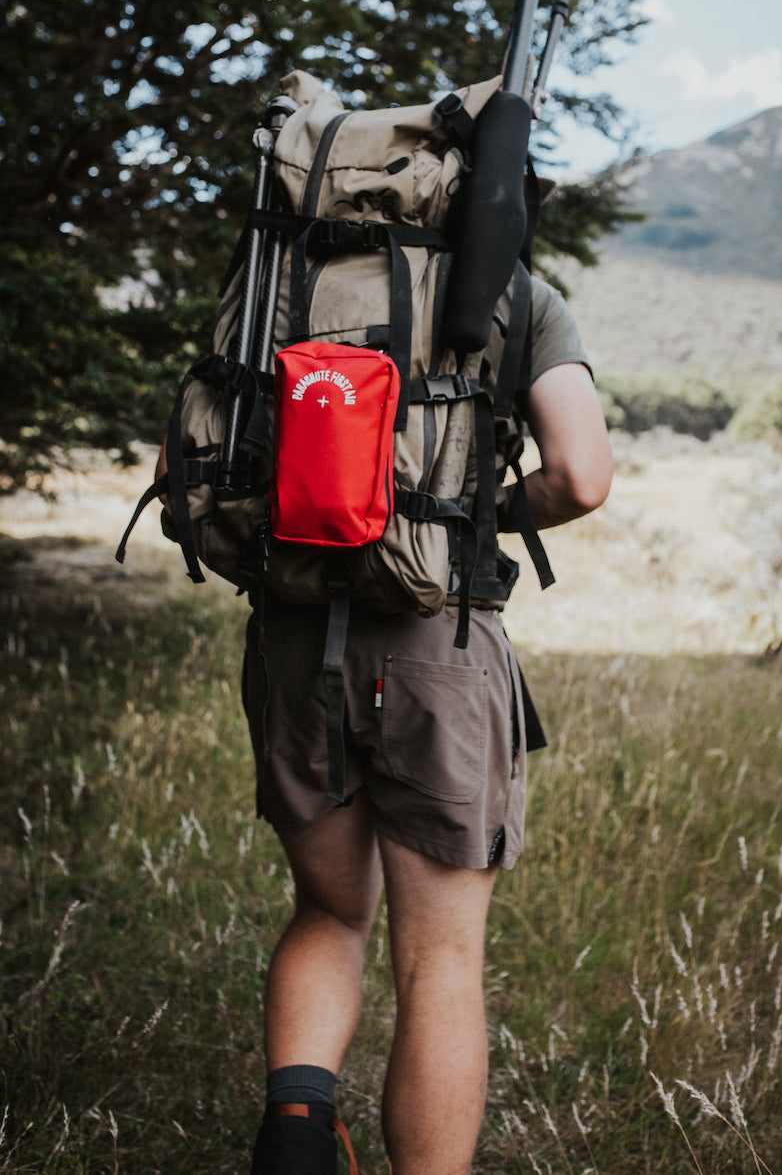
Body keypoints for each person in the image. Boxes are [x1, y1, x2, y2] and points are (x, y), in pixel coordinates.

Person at [236, 272, 613, 1175]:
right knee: (439, 960)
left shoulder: (282, 272)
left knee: (329, 909)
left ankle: (294, 1144)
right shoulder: (518, 295)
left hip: (291, 640)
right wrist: (471, 521)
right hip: (436, 639)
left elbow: (192, 461)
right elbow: (581, 476)